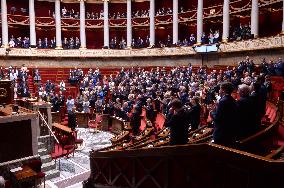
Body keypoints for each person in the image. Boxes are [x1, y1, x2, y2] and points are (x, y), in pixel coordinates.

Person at [211, 82, 238, 146]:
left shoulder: (223, 101)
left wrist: (212, 112)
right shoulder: (232, 99)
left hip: (221, 133)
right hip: (229, 131)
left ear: (223, 90)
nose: (219, 91)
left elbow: (217, 118)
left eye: (220, 89)